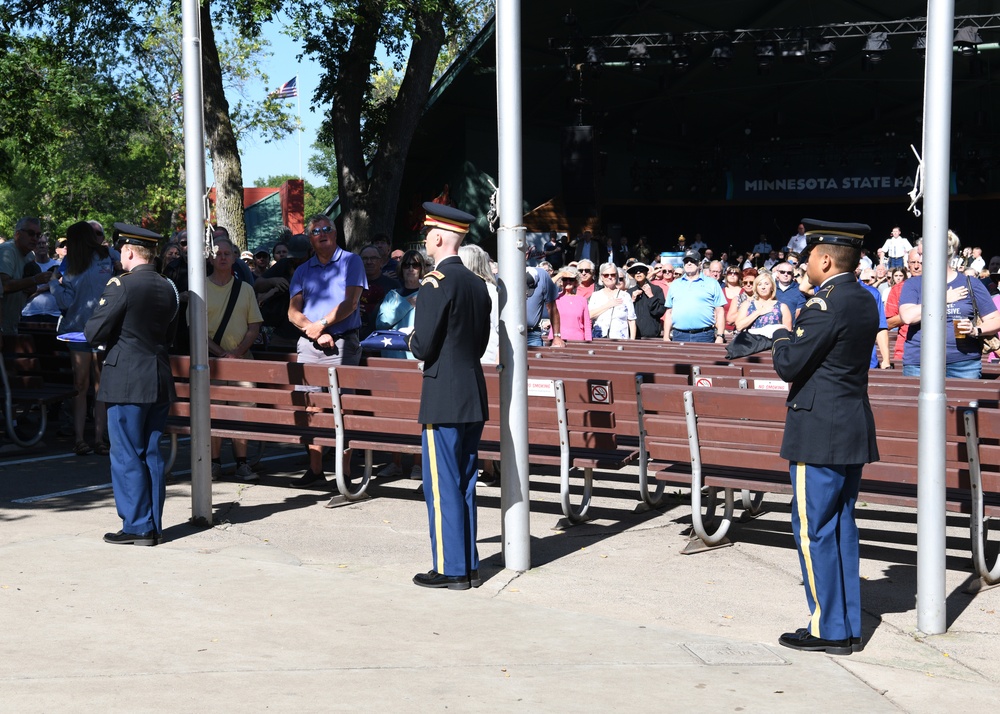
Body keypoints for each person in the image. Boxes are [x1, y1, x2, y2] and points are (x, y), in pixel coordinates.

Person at [770, 219, 880, 656]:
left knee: (814, 531)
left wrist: (778, 333)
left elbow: (790, 365)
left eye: (808, 258)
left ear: (825, 259)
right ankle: (846, 623)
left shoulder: (824, 305)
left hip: (818, 431)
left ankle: (827, 628)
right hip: (850, 424)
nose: (804, 266)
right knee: (841, 529)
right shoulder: (864, 299)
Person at [406, 203, 491, 590]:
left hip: (443, 395)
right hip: (472, 392)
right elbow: (480, 341)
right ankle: (469, 565)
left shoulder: (435, 282)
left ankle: (451, 567)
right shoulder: (477, 284)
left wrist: (406, 338)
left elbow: (422, 346)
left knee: (441, 486)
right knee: (465, 482)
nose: (426, 240)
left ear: (438, 237)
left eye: (428, 235)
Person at [84, 223, 180, 546]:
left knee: (126, 452)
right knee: (151, 453)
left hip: (126, 378)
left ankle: (137, 525)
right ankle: (153, 524)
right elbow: (170, 335)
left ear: (128, 251)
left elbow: (93, 331)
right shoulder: (170, 287)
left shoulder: (121, 285)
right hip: (158, 377)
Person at [287, 215, 367, 486]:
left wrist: (320, 326)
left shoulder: (351, 261)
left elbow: (351, 303)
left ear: (335, 234)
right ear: (310, 239)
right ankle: (315, 469)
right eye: (315, 231)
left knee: (343, 407)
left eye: (326, 229)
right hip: (310, 345)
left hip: (343, 342)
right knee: (311, 406)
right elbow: (292, 312)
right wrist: (312, 330)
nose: (322, 233)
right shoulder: (302, 270)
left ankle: (344, 473)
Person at [49, 221, 116, 456]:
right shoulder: (105, 257)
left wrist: (52, 284)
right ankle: (95, 438)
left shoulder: (76, 262)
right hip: (97, 328)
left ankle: (85, 438)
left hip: (81, 328)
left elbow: (65, 302)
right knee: (98, 386)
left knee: (82, 385)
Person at [899, 230, 1000, 379]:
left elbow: (995, 319)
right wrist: (942, 299)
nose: (919, 260)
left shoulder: (970, 283)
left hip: (964, 363)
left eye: (922, 254)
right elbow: (907, 317)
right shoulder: (914, 284)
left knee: (963, 402)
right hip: (920, 363)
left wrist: (975, 330)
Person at [204, 238, 264, 482]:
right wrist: (220, 353)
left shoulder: (245, 289)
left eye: (228, 253)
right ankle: (214, 463)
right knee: (214, 413)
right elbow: (195, 328)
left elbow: (254, 326)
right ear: (210, 258)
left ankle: (242, 463)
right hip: (212, 363)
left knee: (242, 413)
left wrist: (237, 352)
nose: (223, 257)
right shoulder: (201, 288)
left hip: (241, 362)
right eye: (218, 253)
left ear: (235, 257)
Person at [255, 233, 312, 350]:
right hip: (283, 331)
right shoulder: (285, 264)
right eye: (294, 257)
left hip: (309, 330)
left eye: (300, 257)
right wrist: (273, 281)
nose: (296, 261)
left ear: (310, 252)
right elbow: (257, 285)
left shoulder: (317, 266)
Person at [1, 217, 53, 336]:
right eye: (31, 234)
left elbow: (27, 288)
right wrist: (35, 280)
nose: (35, 238)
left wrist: (32, 287)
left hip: (13, 323)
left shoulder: (29, 255)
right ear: (18, 234)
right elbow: (4, 286)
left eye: (38, 235)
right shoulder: (6, 251)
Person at [663, 250, 725, 343]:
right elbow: (669, 312)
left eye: (692, 261)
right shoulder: (675, 284)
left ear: (699, 264)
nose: (689, 263)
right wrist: (666, 336)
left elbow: (720, 311)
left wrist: (720, 336)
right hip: (679, 335)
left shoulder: (712, 283)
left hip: (704, 335)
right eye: (686, 261)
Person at [376, 249, 426, 360]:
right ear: (401, 268)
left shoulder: (428, 293)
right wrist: (408, 304)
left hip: (419, 356)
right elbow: (381, 323)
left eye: (415, 265)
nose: (411, 269)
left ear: (421, 268)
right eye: (406, 265)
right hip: (394, 355)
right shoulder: (392, 295)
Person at [458, 244, 499, 365]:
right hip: (461, 360)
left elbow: (503, 331)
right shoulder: (459, 288)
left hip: (486, 360)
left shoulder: (492, 292)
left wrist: (498, 364)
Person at [358, 244, 401, 339]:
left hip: (385, 339)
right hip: (357, 338)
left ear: (381, 262)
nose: (369, 262)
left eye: (373, 258)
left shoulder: (394, 286)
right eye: (364, 258)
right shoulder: (351, 286)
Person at [734, 271, 792, 337]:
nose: (763, 287)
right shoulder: (747, 304)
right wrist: (758, 312)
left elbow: (787, 333)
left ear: (772, 287)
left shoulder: (782, 307)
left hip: (773, 344)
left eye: (766, 284)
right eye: (759, 284)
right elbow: (739, 326)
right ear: (756, 288)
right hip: (752, 344)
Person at [590, 262, 636, 340]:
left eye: (613, 274)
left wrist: (632, 341)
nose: (610, 277)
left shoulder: (625, 296)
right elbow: (589, 315)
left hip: (621, 340)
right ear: (601, 277)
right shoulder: (595, 295)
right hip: (600, 339)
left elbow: (631, 320)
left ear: (617, 276)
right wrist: (608, 305)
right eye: (606, 275)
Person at [550, 266, 592, 342]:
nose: (568, 282)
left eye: (571, 279)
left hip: (578, 341)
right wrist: (560, 275)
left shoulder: (582, 300)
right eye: (565, 279)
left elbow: (587, 324)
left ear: (576, 281)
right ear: (561, 281)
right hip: (558, 340)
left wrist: (588, 341)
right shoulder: (555, 298)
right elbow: (546, 286)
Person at [627, 262, 665, 338]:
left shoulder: (657, 290)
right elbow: (625, 314)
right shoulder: (630, 292)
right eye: (635, 271)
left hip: (652, 336)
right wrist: (632, 301)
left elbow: (660, 311)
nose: (638, 273)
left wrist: (651, 296)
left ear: (646, 272)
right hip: (634, 336)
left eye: (641, 270)